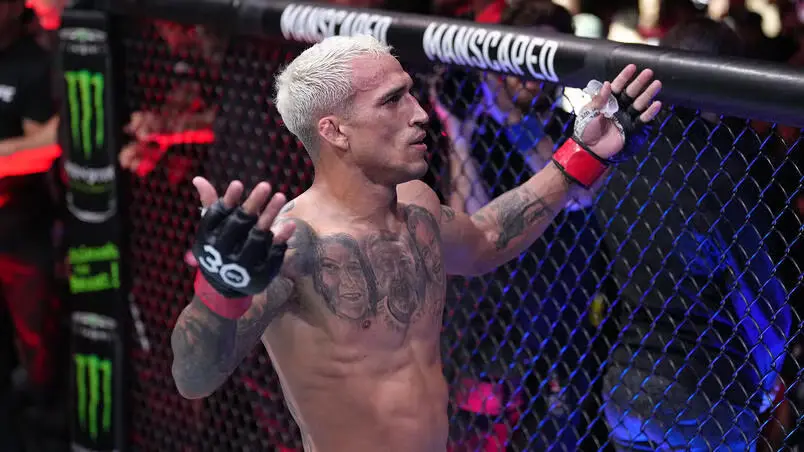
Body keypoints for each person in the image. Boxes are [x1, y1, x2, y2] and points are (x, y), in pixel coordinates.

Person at [169, 34, 662, 452]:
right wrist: (219, 289)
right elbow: (193, 378)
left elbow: (487, 237)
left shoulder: (417, 206)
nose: (421, 113)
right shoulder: (294, 244)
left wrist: (581, 155)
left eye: (412, 94)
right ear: (334, 131)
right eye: (393, 100)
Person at [596, 17, 792, 452]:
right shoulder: (735, 162)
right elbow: (764, 299)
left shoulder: (621, 151)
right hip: (707, 388)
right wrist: (764, 383)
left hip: (627, 379)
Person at [433, 2, 613, 450]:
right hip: (501, 307)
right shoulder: (483, 125)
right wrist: (458, 129)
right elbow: (467, 213)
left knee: (565, 431)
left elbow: (576, 191)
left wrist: (514, 119)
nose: (531, 77)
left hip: (565, 306)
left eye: (544, 62)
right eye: (523, 61)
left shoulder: (577, 126)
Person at [0, 0, 62, 450]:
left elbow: (49, 143)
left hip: (20, 227)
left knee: (36, 337)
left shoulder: (32, 64)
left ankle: (45, 422)